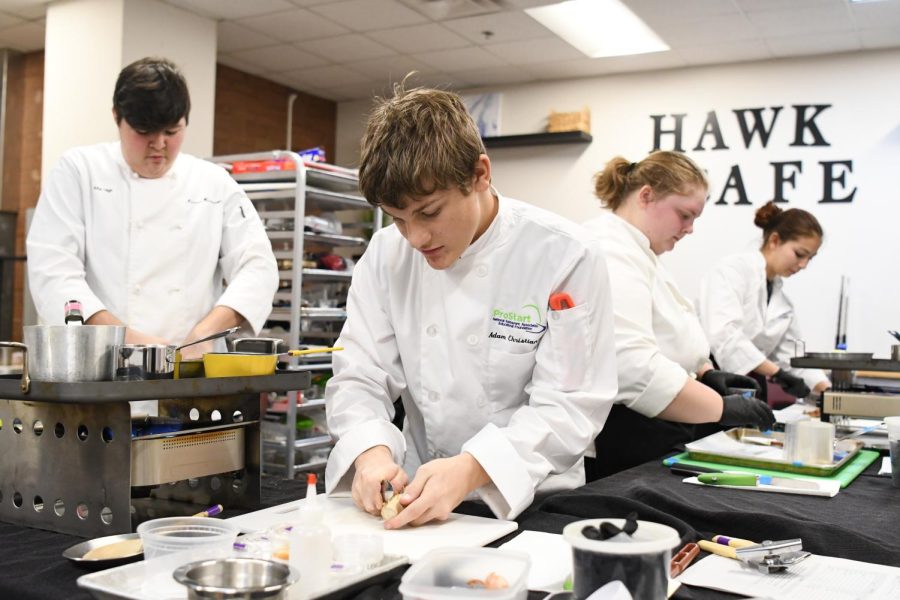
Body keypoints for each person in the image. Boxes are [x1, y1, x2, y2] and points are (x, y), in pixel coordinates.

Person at [324, 83, 618, 527]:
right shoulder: (386, 255)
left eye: (428, 212)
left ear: (480, 174)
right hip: (415, 496)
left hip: (533, 502)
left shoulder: (565, 254)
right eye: (397, 218)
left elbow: (571, 404)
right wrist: (371, 453)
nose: (415, 238)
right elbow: (360, 375)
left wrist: (473, 468)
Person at [27, 57, 278, 361]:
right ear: (116, 117)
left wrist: (205, 334)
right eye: (145, 132)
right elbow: (53, 273)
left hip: (189, 371)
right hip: (102, 367)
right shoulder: (79, 172)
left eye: (172, 132)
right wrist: (123, 340)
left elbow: (258, 268)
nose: (159, 145)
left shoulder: (214, 183)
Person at [583, 152, 774, 480]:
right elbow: (630, 364)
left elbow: (665, 334)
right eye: (685, 215)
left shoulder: (641, 252)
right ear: (646, 195)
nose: (690, 229)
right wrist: (719, 408)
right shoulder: (609, 250)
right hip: (622, 432)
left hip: (655, 427)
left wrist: (704, 373)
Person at [698, 201, 830, 407]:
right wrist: (777, 373)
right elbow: (724, 335)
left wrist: (828, 391)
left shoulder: (782, 302)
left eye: (810, 258)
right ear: (775, 240)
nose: (803, 265)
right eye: (799, 254)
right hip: (711, 381)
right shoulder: (732, 271)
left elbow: (793, 358)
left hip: (751, 384)